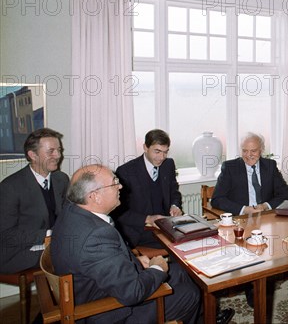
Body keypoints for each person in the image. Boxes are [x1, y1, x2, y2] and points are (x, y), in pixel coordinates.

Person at [49, 164, 218, 324]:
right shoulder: (96, 235)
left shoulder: (71, 213)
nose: (120, 186)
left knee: (182, 272)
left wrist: (134, 261)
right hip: (110, 312)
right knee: (189, 294)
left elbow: (104, 261)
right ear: (95, 196)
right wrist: (157, 268)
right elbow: (132, 292)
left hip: (104, 288)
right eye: (114, 182)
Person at [211, 133, 288, 308]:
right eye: (245, 151)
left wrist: (265, 205)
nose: (249, 155)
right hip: (242, 221)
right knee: (252, 252)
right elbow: (217, 199)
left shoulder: (269, 166)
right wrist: (243, 209)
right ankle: (252, 287)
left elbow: (284, 193)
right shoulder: (230, 167)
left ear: (261, 150)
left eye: (253, 151)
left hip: (267, 217)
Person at [0, 128, 69, 274]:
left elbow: (67, 215)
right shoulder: (10, 187)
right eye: (51, 151)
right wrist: (49, 234)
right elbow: (6, 235)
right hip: (17, 252)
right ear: (33, 155)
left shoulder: (61, 179)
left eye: (59, 150)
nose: (58, 155)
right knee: (73, 256)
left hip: (50, 245)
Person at [113, 129, 183, 248]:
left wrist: (175, 205)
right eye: (157, 151)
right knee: (181, 246)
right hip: (140, 231)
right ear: (145, 147)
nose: (162, 157)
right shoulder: (126, 171)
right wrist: (148, 219)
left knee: (194, 239)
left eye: (165, 152)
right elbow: (119, 212)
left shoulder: (168, 164)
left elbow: (174, 192)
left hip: (167, 226)